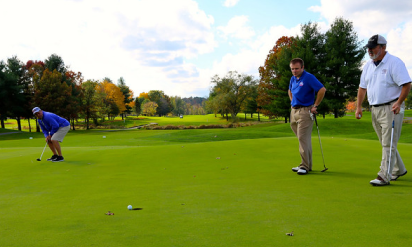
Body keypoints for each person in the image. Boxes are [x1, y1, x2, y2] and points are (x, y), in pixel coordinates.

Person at [356, 34, 411, 186]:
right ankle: (398, 169)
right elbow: (362, 87)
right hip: (375, 109)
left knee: (388, 143)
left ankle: (384, 175)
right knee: (386, 142)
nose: (370, 51)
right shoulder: (367, 65)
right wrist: (359, 106)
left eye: (373, 48)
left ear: (383, 47)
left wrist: (399, 102)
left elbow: (406, 84)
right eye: (368, 48)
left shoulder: (394, 62)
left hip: (392, 107)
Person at [288, 58, 326, 175]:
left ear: (302, 68)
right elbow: (289, 90)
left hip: (305, 111)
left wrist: (315, 105)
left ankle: (304, 166)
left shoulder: (308, 77)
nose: (294, 71)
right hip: (294, 111)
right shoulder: (293, 78)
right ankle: (306, 164)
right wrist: (292, 101)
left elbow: (322, 89)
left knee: (302, 139)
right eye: (292, 69)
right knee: (302, 139)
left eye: (296, 68)